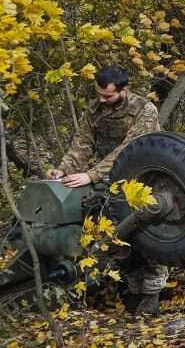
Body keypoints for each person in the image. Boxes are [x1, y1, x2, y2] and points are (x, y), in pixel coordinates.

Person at [47, 65, 168, 314]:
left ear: (124, 91)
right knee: (117, 239)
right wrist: (64, 170)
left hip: (146, 180)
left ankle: (152, 294)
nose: (102, 100)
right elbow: (82, 144)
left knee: (150, 239)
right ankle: (134, 291)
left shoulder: (144, 110)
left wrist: (90, 175)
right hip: (113, 183)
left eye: (108, 96)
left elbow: (127, 149)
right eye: (99, 94)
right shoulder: (95, 110)